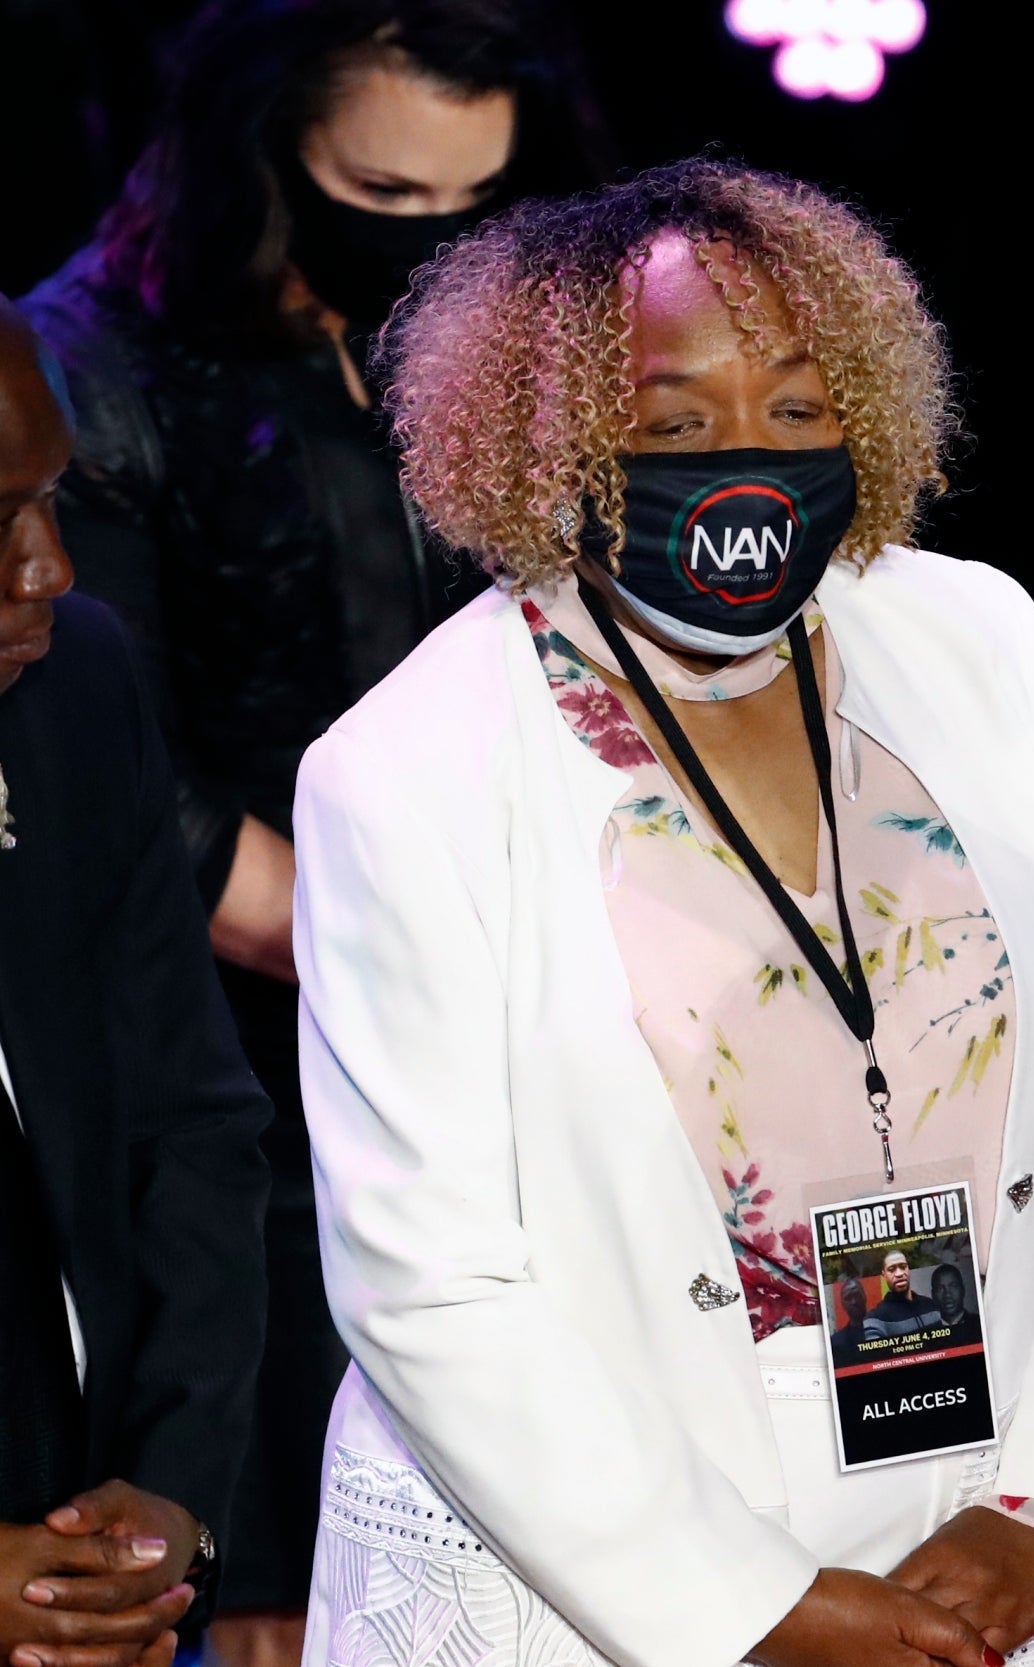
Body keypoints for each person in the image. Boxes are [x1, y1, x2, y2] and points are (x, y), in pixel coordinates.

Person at [294, 160, 1034, 1667]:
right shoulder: (403, 774)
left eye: (799, 408)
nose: (746, 461)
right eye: (673, 425)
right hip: (599, 1582)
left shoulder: (978, 631)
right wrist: (752, 1607)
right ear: (554, 440)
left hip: (999, 1524)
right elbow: (432, 1281)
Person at [16, 4, 601, 1655]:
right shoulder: (92, 360)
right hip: (263, 1064)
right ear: (264, 145)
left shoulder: (517, 340)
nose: (429, 238)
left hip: (530, 1018)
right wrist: (396, 957)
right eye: (379, 190)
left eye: (470, 200)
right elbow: (128, 769)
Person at [0, 299, 271, 1667]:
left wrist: (173, 1509)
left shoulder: (78, 680)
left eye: (47, 503)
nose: (46, 568)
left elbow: (192, 1120)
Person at [864, 1254, 943, 1341]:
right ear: (884, 1275)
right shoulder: (875, 1319)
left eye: (903, 1267)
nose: (899, 1274)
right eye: (891, 1269)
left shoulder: (931, 1305)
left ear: (908, 1269)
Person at [931, 1264, 982, 1345]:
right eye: (940, 1288)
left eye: (953, 1286)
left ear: (963, 1290)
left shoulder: (980, 1324)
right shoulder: (927, 1333)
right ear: (933, 1294)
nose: (947, 1295)